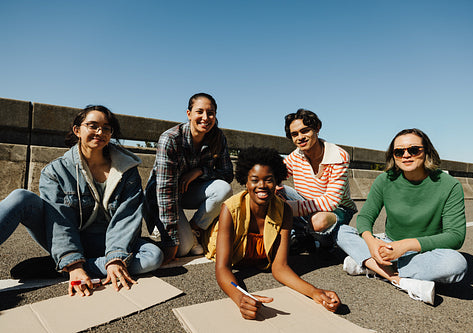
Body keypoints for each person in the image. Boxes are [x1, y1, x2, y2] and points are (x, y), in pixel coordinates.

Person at [0, 105, 164, 296]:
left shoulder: (127, 170)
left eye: (106, 128)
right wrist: (74, 263)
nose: (100, 132)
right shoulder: (55, 171)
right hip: (73, 236)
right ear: (77, 130)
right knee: (21, 197)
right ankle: (71, 263)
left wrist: (116, 258)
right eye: (93, 126)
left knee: (153, 257)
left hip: (109, 240)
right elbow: (60, 221)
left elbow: (126, 219)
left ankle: (59, 265)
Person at [204, 147, 341, 320]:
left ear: (276, 181)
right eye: (254, 180)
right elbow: (223, 268)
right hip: (215, 243)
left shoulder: (284, 211)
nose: (261, 185)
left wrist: (314, 292)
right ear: (245, 182)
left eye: (268, 180)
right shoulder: (230, 210)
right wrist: (240, 297)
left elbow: (280, 267)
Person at [337, 128, 468, 305]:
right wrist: (371, 242)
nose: (406, 155)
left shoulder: (450, 185)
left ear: (427, 151)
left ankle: (370, 265)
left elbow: (455, 236)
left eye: (413, 150)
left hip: (423, 252)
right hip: (388, 244)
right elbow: (365, 217)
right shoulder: (385, 180)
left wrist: (406, 246)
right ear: (393, 156)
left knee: (456, 264)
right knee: (341, 230)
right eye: (399, 151)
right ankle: (400, 280)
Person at [144, 93, 233, 264]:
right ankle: (159, 226)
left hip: (188, 191)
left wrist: (200, 171)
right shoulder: (170, 139)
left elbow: (228, 174)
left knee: (223, 189)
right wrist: (171, 241)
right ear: (189, 114)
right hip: (163, 196)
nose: (205, 118)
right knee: (183, 249)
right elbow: (164, 191)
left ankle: (194, 229)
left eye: (211, 112)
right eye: (200, 112)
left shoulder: (218, 137)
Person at [279, 109, 357, 253]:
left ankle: (325, 243)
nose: (300, 137)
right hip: (307, 204)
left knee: (318, 222)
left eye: (305, 131)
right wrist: (274, 187)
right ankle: (301, 236)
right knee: (270, 191)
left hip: (337, 209)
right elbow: (276, 175)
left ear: (317, 129)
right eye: (294, 134)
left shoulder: (338, 156)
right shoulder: (295, 156)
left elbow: (331, 200)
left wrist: (289, 209)